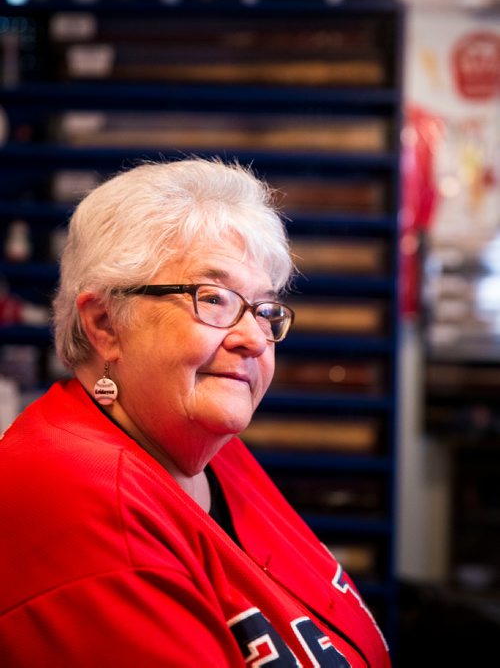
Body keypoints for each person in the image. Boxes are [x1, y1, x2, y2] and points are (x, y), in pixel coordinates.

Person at [0, 158, 391, 667]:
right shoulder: (82, 506)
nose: (254, 338)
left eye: (264, 310)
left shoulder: (201, 446)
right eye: (213, 298)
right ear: (104, 324)